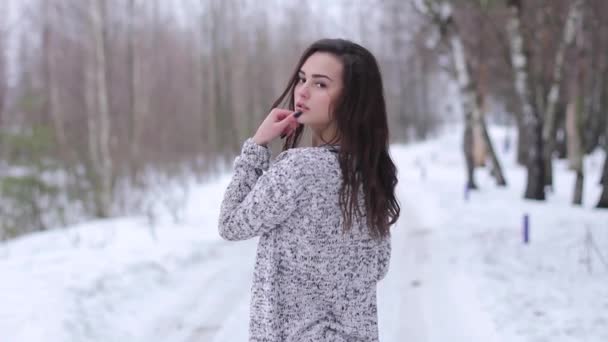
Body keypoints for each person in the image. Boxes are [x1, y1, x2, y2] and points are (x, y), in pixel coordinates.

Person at [218, 38, 400, 342]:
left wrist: (257, 146)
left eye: (320, 85)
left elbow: (230, 224)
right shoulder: (368, 174)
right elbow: (377, 267)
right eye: (302, 79)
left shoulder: (298, 169)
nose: (301, 91)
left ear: (351, 99)